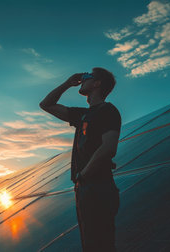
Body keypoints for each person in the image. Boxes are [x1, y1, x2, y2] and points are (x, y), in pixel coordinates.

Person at [39, 67, 121, 251]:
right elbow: (46, 104)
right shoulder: (83, 114)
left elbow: (109, 147)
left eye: (88, 76)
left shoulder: (108, 110)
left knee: (101, 245)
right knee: (91, 244)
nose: (83, 78)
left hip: (98, 186)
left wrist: (83, 175)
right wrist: (68, 83)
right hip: (86, 188)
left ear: (97, 83)